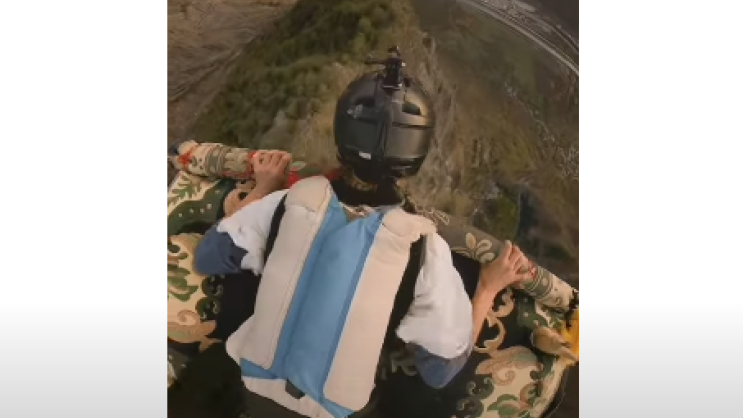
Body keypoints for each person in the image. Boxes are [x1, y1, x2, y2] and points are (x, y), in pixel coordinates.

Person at [190, 50, 529, 418]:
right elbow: (440, 371)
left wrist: (263, 187)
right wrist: (487, 289)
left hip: (253, 396)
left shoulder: (288, 202)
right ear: (415, 156)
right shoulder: (424, 247)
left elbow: (208, 256)